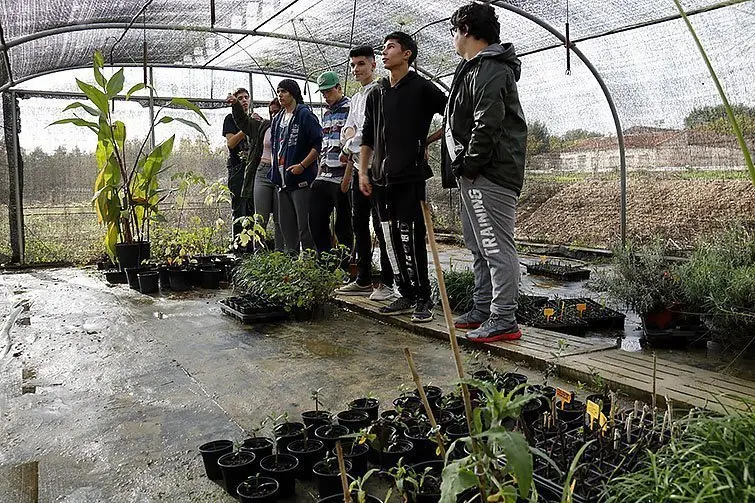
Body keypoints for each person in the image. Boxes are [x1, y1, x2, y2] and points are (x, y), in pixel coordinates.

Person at [442, 2, 528, 342]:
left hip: (489, 173)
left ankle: (504, 318)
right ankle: (482, 307)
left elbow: (488, 122)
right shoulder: (475, 68)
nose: (452, 39)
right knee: (478, 243)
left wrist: (470, 164)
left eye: (453, 32)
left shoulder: (490, 68)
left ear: (465, 29)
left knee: (495, 245)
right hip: (475, 172)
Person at [359, 32, 447, 323]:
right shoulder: (378, 93)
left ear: (407, 54)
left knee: (412, 236)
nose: (384, 53)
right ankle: (405, 292)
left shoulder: (422, 88)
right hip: (381, 177)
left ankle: (424, 297)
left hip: (410, 176)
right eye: (383, 49)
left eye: (390, 48)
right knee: (390, 236)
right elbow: (368, 137)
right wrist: (363, 171)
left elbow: (454, 114)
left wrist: (428, 141)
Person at [336, 45, 397, 301]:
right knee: (358, 222)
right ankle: (362, 278)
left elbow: (369, 133)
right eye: (352, 65)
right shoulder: (358, 97)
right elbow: (346, 129)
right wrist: (350, 139)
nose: (356, 69)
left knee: (382, 225)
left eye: (361, 64)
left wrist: (351, 141)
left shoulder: (382, 92)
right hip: (359, 167)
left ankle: (386, 281)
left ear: (374, 64)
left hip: (377, 169)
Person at [269, 79, 322, 253]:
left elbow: (317, 144)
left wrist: (302, 165)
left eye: (284, 91)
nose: (280, 95)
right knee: (286, 225)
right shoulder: (277, 119)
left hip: (301, 180)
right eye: (278, 92)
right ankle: (291, 261)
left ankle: (310, 261)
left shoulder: (304, 115)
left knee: (304, 224)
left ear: (293, 93)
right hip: (282, 182)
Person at [228, 96, 284, 251]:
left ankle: (281, 255)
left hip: (281, 174)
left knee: (281, 219)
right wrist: (236, 106)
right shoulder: (263, 126)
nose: (274, 115)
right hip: (262, 171)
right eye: (271, 112)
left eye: (277, 111)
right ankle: (259, 256)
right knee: (260, 217)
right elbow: (243, 123)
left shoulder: (290, 126)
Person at [308, 71, 353, 255]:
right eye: (323, 93)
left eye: (329, 91)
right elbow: (325, 144)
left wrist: (347, 178)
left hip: (342, 177)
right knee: (316, 220)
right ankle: (325, 260)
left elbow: (354, 144)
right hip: (323, 175)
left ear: (339, 88)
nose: (326, 96)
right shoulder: (326, 113)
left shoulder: (351, 108)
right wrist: (319, 170)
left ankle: (346, 263)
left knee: (343, 226)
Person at [222, 87, 252, 237]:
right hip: (237, 167)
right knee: (239, 207)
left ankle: (252, 245)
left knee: (252, 207)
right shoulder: (230, 119)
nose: (244, 100)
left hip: (253, 168)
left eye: (246, 97)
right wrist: (246, 127)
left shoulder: (254, 118)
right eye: (240, 98)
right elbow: (231, 143)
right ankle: (239, 247)